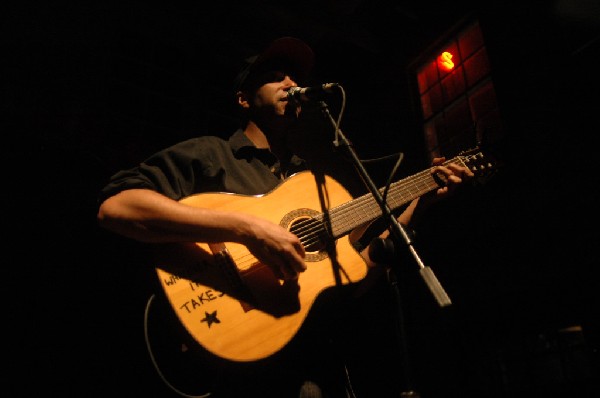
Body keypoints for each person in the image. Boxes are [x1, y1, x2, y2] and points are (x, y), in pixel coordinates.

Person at [97, 36, 474, 398]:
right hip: (239, 372)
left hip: (314, 370)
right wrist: (246, 229)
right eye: (275, 75)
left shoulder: (312, 183)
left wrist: (419, 206)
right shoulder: (211, 154)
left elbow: (351, 280)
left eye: (295, 77)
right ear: (244, 99)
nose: (291, 83)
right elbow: (117, 208)